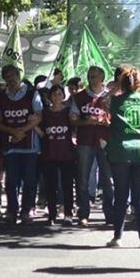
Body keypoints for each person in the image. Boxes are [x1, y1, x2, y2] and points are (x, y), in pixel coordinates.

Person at [106, 66, 140, 246]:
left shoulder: (115, 101)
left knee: (121, 195)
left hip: (119, 151)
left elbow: (102, 101)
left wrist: (115, 87)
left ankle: (117, 237)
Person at [0, 65, 43, 224]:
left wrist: (22, 130)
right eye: (7, 76)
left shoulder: (31, 93)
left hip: (30, 145)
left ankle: (26, 211)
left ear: (19, 75)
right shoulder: (0, 97)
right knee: (11, 182)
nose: (11, 79)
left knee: (29, 181)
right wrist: (11, 131)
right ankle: (12, 211)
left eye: (13, 75)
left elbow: (39, 116)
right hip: (11, 145)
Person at [70, 65, 113, 226]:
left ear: (102, 78)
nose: (91, 79)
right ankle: (83, 213)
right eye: (89, 76)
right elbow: (72, 118)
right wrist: (86, 121)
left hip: (105, 141)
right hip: (85, 141)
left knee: (108, 178)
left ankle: (110, 213)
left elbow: (116, 119)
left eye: (94, 76)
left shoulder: (109, 97)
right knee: (83, 178)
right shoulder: (79, 97)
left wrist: (105, 121)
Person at [38, 84, 77, 225]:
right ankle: (52, 214)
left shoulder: (68, 112)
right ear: (50, 97)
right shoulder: (45, 112)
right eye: (54, 94)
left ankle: (68, 213)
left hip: (66, 153)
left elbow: (74, 129)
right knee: (50, 185)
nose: (57, 97)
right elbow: (42, 132)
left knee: (67, 185)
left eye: (60, 94)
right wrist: (34, 126)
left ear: (63, 96)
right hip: (49, 153)